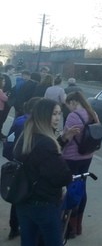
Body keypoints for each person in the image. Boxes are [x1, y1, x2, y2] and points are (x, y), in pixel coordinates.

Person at [13, 98, 80, 246]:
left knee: (28, 241)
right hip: (43, 204)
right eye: (54, 114)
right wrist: (69, 175)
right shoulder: (45, 142)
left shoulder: (26, 136)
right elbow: (62, 177)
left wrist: (62, 140)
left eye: (59, 113)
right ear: (43, 115)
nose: (57, 118)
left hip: (24, 201)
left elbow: (39, 159)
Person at [61, 90, 100, 238]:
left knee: (70, 190)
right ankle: (78, 225)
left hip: (71, 158)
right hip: (87, 156)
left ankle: (69, 226)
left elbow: (67, 138)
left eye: (68, 105)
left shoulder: (73, 116)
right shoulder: (92, 113)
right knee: (81, 187)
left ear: (73, 102)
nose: (68, 108)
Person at [2, 97, 41, 240]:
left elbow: (9, 143)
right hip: (30, 168)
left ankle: (14, 228)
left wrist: (12, 159)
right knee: (29, 199)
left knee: (17, 196)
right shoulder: (35, 125)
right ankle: (28, 230)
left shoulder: (18, 121)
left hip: (16, 165)